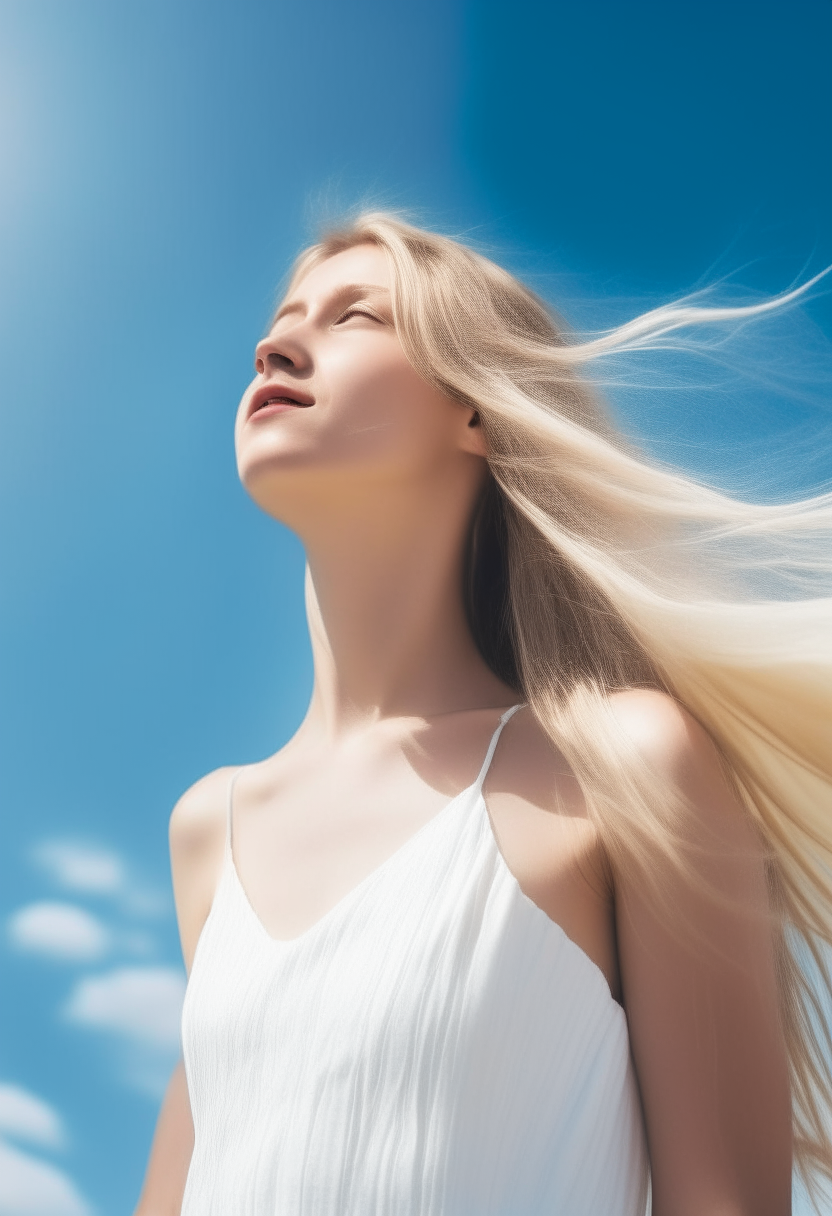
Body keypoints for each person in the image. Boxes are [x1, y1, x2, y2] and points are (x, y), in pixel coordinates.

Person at [134, 214, 832, 1216]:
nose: (275, 344)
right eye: (284, 318)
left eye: (355, 316)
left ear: (475, 412)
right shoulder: (210, 829)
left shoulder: (623, 763)